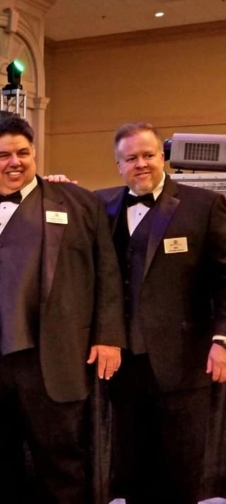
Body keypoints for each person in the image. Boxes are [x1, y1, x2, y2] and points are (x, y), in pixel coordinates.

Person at [0, 116, 126, 503]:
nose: (15, 161)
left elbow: (108, 272)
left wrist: (108, 335)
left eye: (23, 153)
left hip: (49, 357)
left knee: (61, 462)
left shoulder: (79, 203)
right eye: (3, 155)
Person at [96, 122, 226, 503]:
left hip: (184, 360)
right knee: (132, 468)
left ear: (162, 157)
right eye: (131, 158)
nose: (141, 164)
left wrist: (222, 338)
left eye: (148, 155)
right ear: (118, 165)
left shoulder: (204, 205)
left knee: (181, 469)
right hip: (125, 364)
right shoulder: (101, 206)